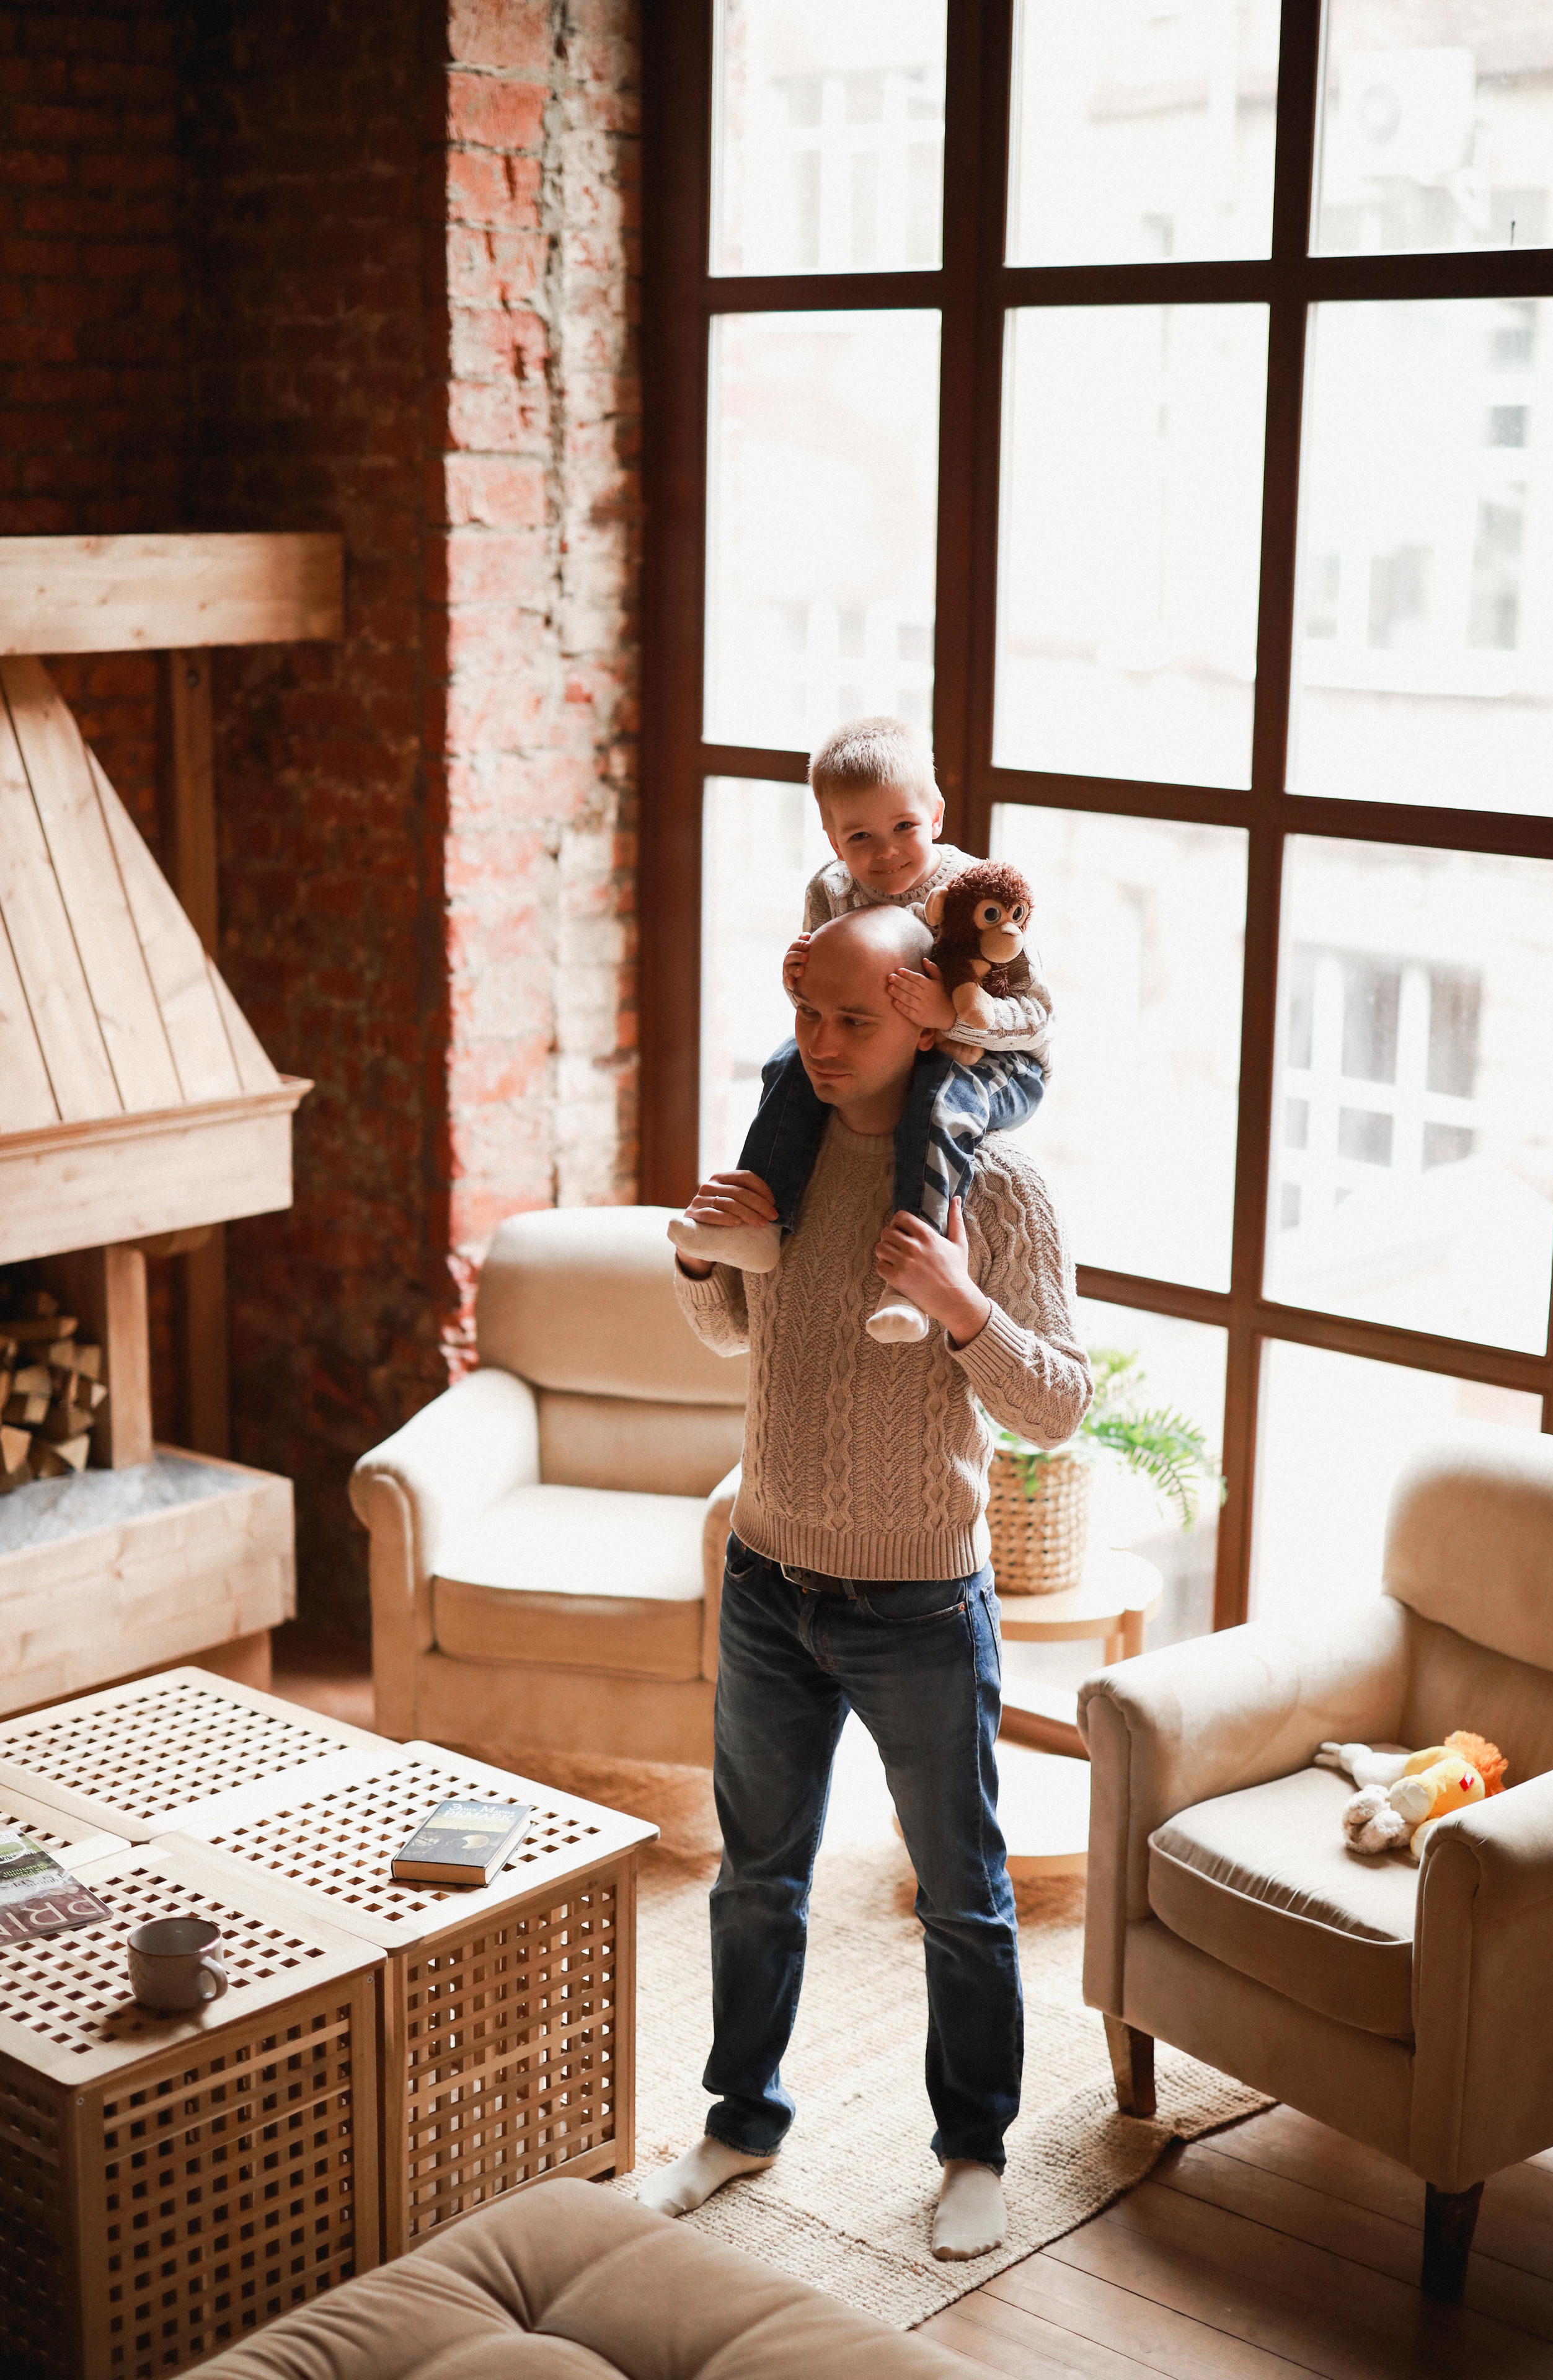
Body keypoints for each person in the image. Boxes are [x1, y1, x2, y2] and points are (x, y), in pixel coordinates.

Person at [642, 902, 1091, 2260]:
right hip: (769, 1580)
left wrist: (961, 1307)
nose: (820, 1047)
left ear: (920, 1012)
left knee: (959, 1893)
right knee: (754, 1878)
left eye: (850, 1020)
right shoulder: (778, 1155)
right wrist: (694, 1250)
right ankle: (737, 2122)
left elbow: (1058, 1405)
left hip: (919, 1607)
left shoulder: (994, 1190)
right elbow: (733, 1330)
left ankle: (972, 2151)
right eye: (805, 1020)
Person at [668, 716, 1053, 1344]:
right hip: (897, 1062)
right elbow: (829, 1000)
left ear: (935, 813)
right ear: (831, 837)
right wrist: (797, 978)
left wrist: (951, 1014)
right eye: (860, 837)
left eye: (904, 826)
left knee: (938, 1103)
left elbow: (1039, 1015)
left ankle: (914, 1273)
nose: (886, 853)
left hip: (994, 1062)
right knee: (784, 1064)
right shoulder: (831, 889)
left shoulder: (976, 892)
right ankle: (760, 1217)